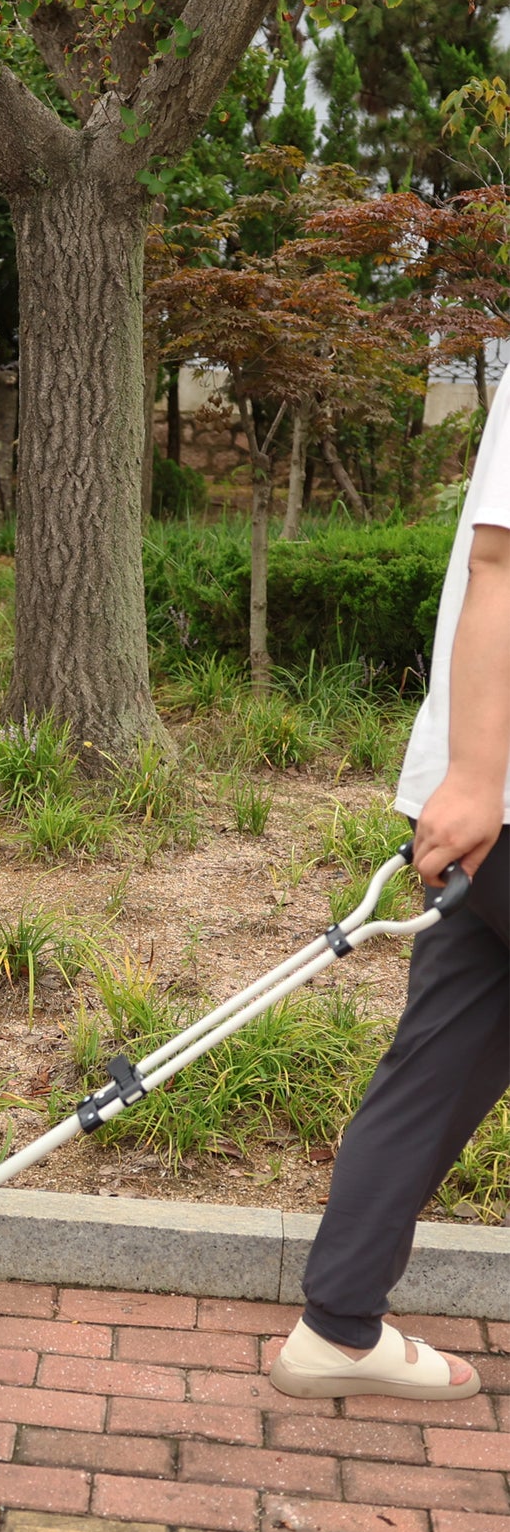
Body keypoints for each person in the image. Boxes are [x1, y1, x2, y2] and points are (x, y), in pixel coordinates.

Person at [269, 394, 510, 1402]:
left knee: (440, 1058)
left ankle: (337, 1323)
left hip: (485, 807)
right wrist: (474, 773)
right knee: (436, 1057)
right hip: (490, 796)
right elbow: (499, 562)